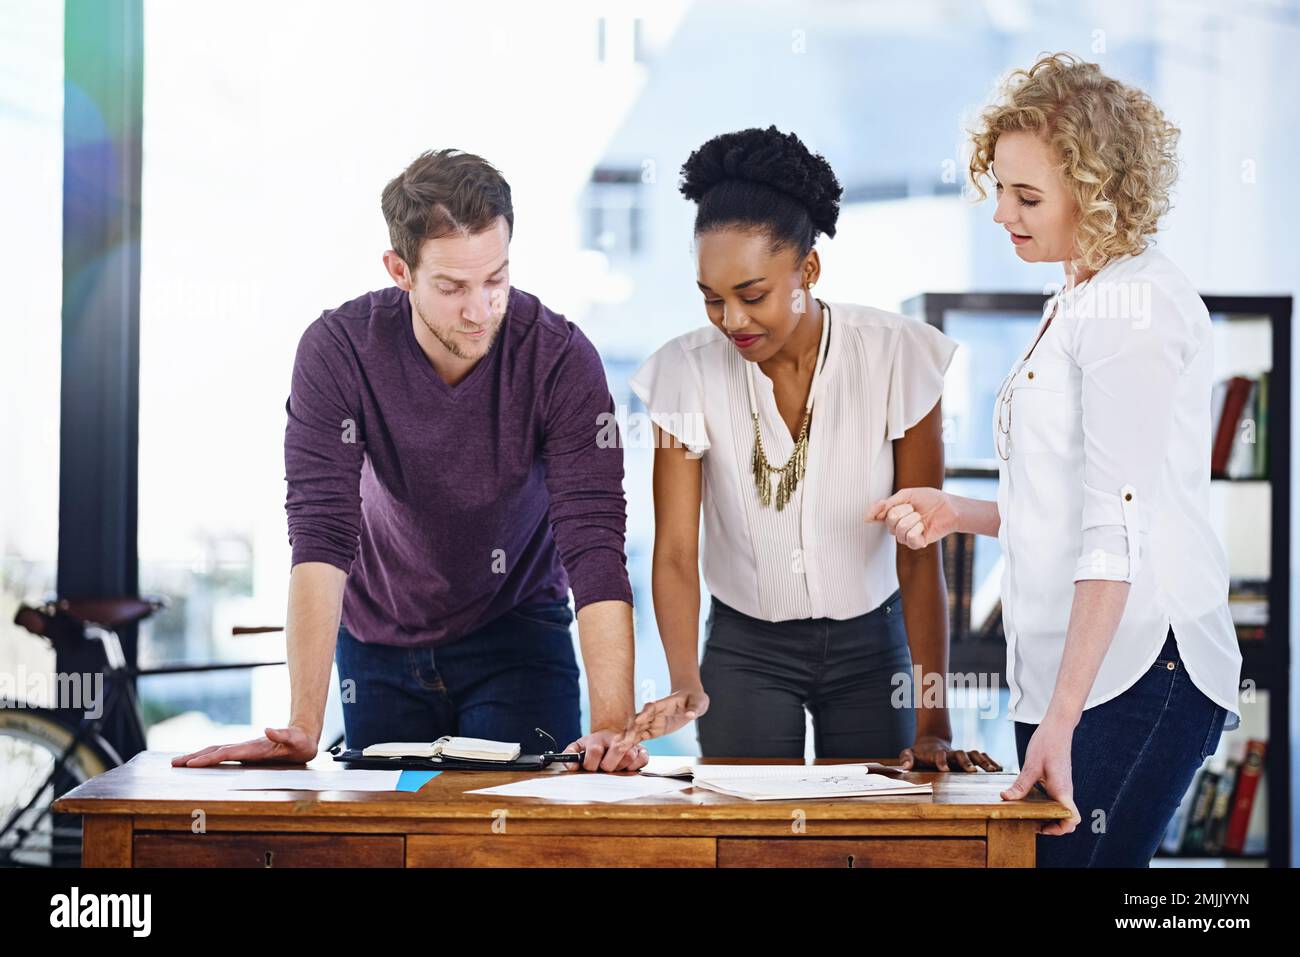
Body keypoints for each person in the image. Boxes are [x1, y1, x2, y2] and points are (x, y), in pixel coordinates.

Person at [871, 53, 1242, 865]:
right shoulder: (1078, 294)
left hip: (1141, 663)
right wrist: (958, 511)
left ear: (1100, 191)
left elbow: (1117, 522)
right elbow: (1069, 498)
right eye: (998, 187)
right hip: (1079, 672)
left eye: (1027, 196)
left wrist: (1063, 717)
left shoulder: (1131, 308)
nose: (1001, 212)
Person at [173, 148, 648, 773]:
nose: (480, 310)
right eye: (452, 288)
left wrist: (613, 726)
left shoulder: (560, 358)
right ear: (400, 270)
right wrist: (303, 723)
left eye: (496, 280)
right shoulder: (339, 349)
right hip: (375, 638)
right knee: (389, 840)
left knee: (521, 843)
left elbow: (592, 542)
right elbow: (321, 534)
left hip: (518, 632)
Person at [629, 126, 1000, 772]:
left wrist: (935, 720)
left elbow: (919, 559)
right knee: (748, 844)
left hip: (871, 643)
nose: (732, 321)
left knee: (865, 843)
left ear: (808, 270)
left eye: (752, 295)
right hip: (746, 646)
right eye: (712, 299)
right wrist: (685, 679)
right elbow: (677, 553)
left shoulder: (897, 356)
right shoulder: (682, 371)